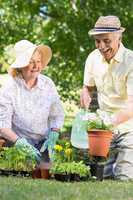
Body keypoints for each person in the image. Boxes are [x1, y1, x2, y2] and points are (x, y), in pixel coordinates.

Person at [80, 15, 133, 180]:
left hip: (129, 128)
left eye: (106, 41)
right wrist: (85, 95)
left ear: (119, 37)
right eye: (97, 41)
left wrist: (109, 122)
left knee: (124, 177)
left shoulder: (130, 61)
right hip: (104, 130)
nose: (101, 46)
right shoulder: (93, 58)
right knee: (100, 178)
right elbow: (87, 87)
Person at [0, 39, 64, 163]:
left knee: (46, 172)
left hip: (43, 143)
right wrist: (20, 143)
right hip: (16, 143)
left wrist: (54, 132)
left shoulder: (47, 84)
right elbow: (3, 126)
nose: (36, 66)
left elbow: (56, 114)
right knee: (22, 169)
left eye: (38, 61)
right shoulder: (9, 88)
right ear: (20, 66)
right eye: (31, 62)